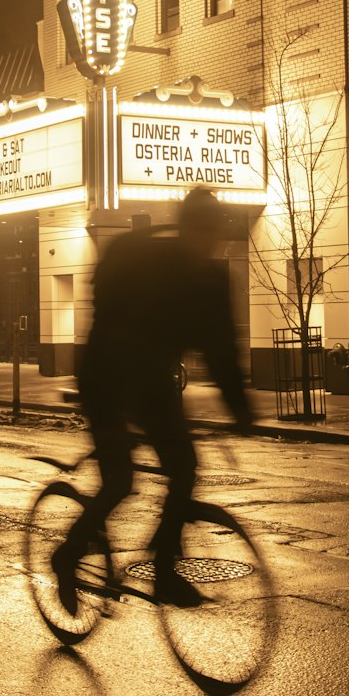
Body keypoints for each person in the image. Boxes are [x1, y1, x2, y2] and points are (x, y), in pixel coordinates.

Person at [53, 187, 254, 610]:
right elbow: (113, 330)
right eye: (202, 230)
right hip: (106, 378)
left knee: (184, 469)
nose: (208, 240)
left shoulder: (210, 279)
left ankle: (164, 573)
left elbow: (221, 350)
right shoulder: (146, 261)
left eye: (213, 231)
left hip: (153, 382)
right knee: (120, 481)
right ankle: (66, 556)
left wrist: (241, 411)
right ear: (185, 228)